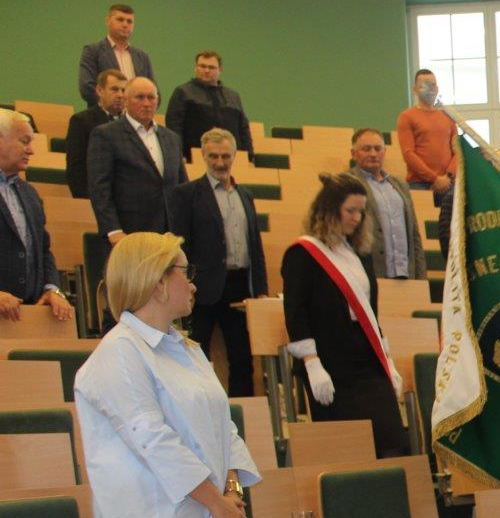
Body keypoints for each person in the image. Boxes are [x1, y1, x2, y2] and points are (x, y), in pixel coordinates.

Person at [73, 231, 260, 518]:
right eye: (185, 272)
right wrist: (216, 501)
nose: (192, 285)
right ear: (157, 282)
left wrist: (231, 491)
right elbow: (153, 441)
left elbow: (225, 428)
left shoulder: (188, 349)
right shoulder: (120, 351)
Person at [282, 172, 408, 457]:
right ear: (329, 209)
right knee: (348, 450)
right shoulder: (302, 253)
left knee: (392, 441)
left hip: (365, 357)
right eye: (350, 210)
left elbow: (370, 312)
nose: (357, 218)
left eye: (361, 212)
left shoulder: (360, 254)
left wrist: (387, 360)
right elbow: (295, 312)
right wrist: (312, 363)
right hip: (328, 361)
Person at [167, 128, 268, 398]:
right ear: (203, 155)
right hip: (202, 288)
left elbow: (255, 246)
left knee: (242, 357)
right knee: (195, 354)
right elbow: (180, 245)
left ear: (234, 156)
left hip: (240, 287)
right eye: (213, 156)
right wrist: (184, 285)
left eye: (225, 156)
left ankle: (242, 410)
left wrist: (260, 289)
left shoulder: (245, 196)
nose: (220, 162)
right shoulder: (187, 194)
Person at [87, 77, 188, 244]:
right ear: (126, 100)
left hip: (169, 235)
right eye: (140, 97)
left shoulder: (172, 138)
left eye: (151, 98)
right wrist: (113, 230)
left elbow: (182, 186)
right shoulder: (106, 135)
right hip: (129, 233)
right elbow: (99, 188)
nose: (146, 103)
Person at [0, 110, 73, 322]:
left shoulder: (29, 193)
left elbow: (43, 249)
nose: (31, 150)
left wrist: (52, 288)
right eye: (24, 141)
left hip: (28, 314)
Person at [346, 128, 427, 279]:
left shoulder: (400, 185)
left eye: (378, 149)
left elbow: (414, 233)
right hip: (366, 275)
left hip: (406, 275)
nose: (373, 154)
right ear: (354, 153)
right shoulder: (346, 183)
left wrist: (421, 277)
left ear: (385, 152)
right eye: (366, 149)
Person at [165, 51, 255, 163]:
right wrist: (179, 154)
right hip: (194, 158)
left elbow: (243, 128)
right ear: (195, 68)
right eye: (202, 66)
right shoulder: (183, 92)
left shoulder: (233, 96)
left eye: (211, 67)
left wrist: (249, 156)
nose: (206, 70)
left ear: (220, 70)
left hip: (233, 159)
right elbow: (174, 126)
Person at [396, 69, 458, 201]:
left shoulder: (448, 116)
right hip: (419, 184)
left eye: (433, 85)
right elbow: (408, 153)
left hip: (449, 183)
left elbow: (458, 151)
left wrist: (448, 176)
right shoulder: (406, 117)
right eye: (424, 86)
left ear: (437, 88)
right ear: (415, 89)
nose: (430, 89)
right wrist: (434, 178)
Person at [77, 3, 155, 107]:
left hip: (136, 115)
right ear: (107, 21)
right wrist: (116, 106)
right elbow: (87, 88)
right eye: (120, 19)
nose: (125, 24)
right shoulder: (92, 51)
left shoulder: (143, 57)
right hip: (103, 115)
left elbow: (153, 91)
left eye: (129, 21)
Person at [65, 69, 127, 199]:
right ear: (99, 90)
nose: (120, 95)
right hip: (94, 198)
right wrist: (86, 200)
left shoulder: (131, 123)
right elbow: (76, 169)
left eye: (123, 90)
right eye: (114, 89)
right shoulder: (81, 121)